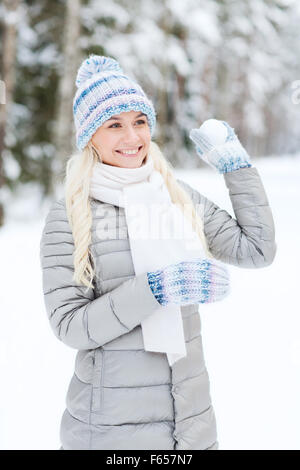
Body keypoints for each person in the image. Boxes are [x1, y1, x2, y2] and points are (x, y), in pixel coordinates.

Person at [39, 55, 276, 450]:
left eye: (140, 122)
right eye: (114, 124)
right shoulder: (71, 213)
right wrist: (157, 289)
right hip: (108, 431)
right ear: (89, 136)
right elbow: (70, 325)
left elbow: (256, 249)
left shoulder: (175, 196)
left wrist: (236, 168)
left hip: (191, 424)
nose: (132, 137)